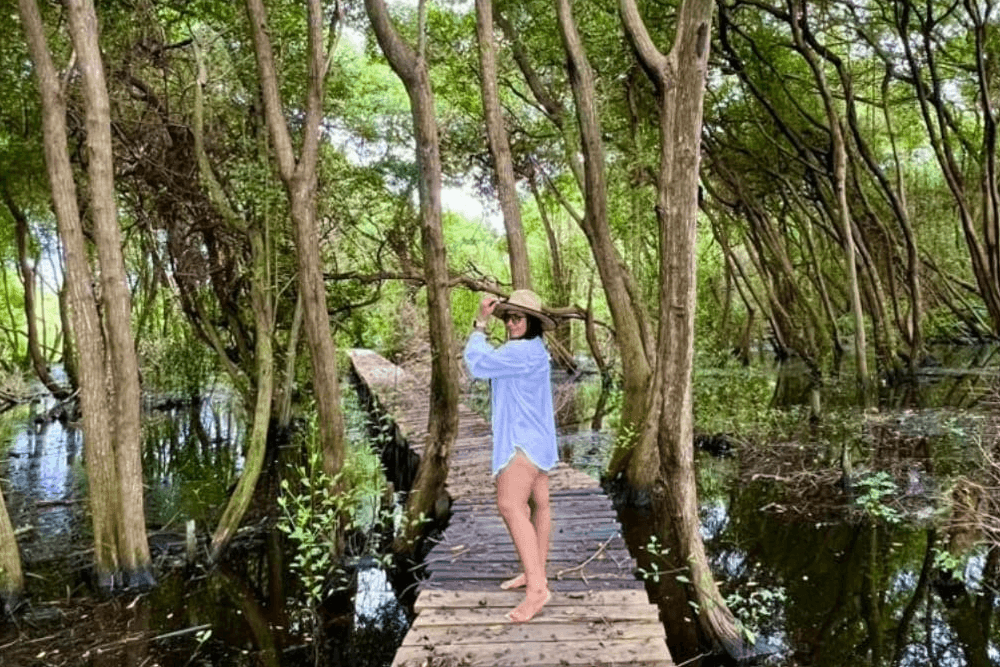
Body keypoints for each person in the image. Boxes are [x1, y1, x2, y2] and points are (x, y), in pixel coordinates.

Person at [463, 289, 558, 623]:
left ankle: (536, 591)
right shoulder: (536, 351)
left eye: (519, 318)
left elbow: (477, 363)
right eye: (508, 317)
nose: (512, 323)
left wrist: (479, 324)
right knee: (539, 504)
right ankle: (535, 576)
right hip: (540, 440)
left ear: (532, 322)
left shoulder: (519, 352)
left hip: (522, 442)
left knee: (509, 505)